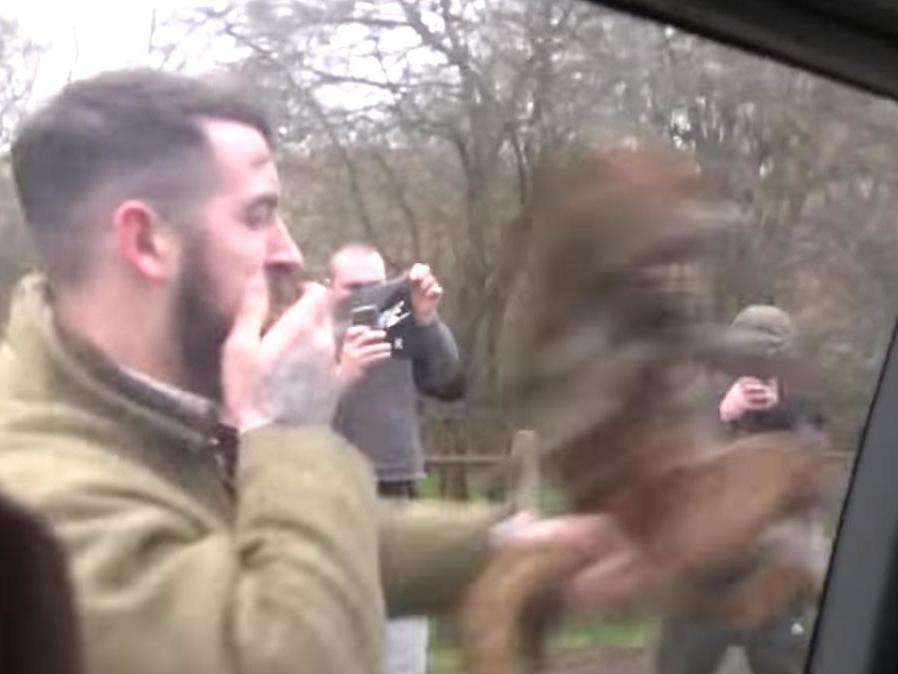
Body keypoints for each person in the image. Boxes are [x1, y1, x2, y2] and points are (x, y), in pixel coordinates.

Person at [0, 68, 647, 674]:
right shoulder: (31, 497)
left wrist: (523, 546)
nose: (291, 251)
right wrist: (288, 432)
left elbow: (291, 540)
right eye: (258, 214)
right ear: (146, 242)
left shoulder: (141, 411)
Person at [656, 304, 829, 674]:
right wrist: (722, 413)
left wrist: (786, 418)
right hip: (702, 575)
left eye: (771, 355)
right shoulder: (696, 395)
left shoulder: (802, 407)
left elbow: (815, 482)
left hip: (775, 575)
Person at [329, 244, 462, 674]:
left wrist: (426, 319)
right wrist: (340, 369)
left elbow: (449, 382)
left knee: (401, 654)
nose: (368, 296)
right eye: (355, 288)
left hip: (397, 496)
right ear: (331, 288)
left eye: (377, 286)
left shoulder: (402, 328)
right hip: (331, 502)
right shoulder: (308, 332)